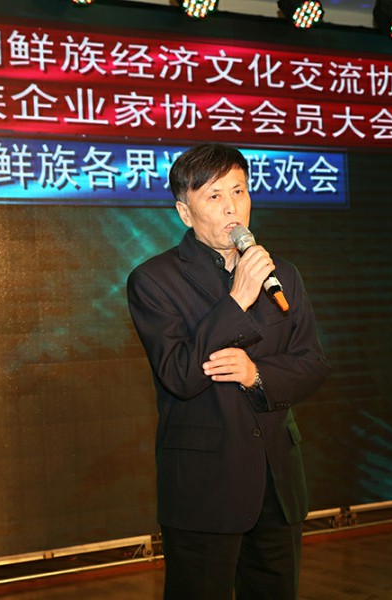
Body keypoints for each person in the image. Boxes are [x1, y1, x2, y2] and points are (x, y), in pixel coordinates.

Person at [126, 143, 331, 600]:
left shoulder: (283, 275)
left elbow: (312, 364)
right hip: (204, 487)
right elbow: (180, 374)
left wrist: (257, 374)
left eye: (238, 191)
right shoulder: (154, 280)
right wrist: (237, 299)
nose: (231, 206)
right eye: (214, 195)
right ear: (185, 212)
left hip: (277, 485)